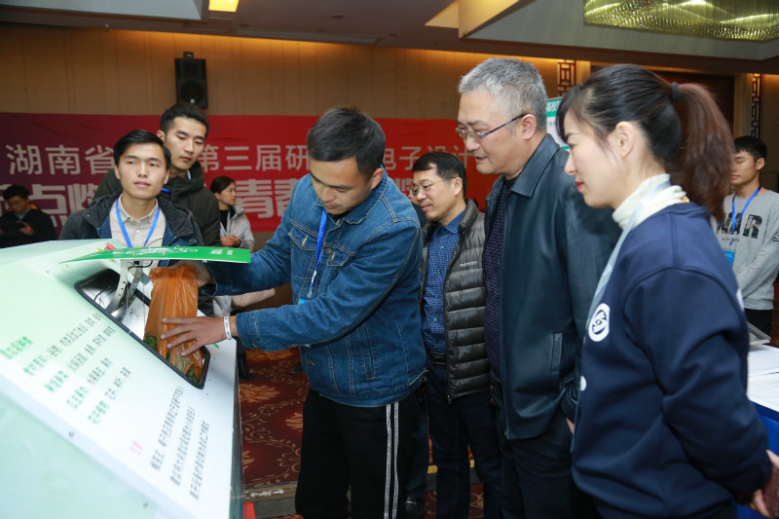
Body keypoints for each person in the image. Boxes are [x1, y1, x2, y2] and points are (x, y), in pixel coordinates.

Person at [160, 107, 426, 519]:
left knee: (377, 507)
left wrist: (229, 326)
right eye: (317, 179)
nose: (324, 196)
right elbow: (276, 260)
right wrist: (211, 274)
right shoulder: (307, 190)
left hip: (375, 389)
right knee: (316, 501)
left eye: (339, 187)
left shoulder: (394, 226)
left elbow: (330, 315)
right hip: (322, 377)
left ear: (374, 178)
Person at [557, 63, 779, 519]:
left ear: (623, 139)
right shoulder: (647, 233)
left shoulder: (669, 255)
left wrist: (751, 470)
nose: (569, 165)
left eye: (574, 144)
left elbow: (706, 403)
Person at [456, 57, 619, 518]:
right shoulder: (502, 190)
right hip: (511, 405)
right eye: (463, 130)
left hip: (552, 419)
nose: (468, 145)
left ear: (527, 125)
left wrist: (573, 410)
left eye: (479, 131)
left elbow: (598, 318)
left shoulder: (572, 189)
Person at [412, 151, 501, 518]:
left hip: (479, 375)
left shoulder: (487, 232)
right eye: (415, 189)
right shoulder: (424, 236)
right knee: (448, 464)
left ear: (455, 185)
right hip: (435, 372)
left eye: (426, 186)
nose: (419, 196)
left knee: (492, 467)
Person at [93, 103, 220, 247]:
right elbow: (93, 232)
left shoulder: (206, 200)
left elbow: (210, 256)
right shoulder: (124, 178)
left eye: (198, 142)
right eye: (181, 137)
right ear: (161, 137)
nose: (190, 148)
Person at [60, 129, 203, 250]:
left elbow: (198, 272)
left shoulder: (185, 224)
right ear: (117, 170)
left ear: (166, 176)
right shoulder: (81, 224)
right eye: (132, 162)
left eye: (153, 164)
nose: (142, 172)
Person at [713, 136, 779, 337]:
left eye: (739, 160)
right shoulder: (720, 204)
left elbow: (767, 260)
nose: (732, 167)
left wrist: (729, 289)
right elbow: (710, 251)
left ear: (759, 163)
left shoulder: (775, 204)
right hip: (717, 300)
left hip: (753, 305)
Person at [209, 175, 263, 380]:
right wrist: (219, 244)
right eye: (229, 190)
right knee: (215, 320)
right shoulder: (207, 215)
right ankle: (220, 365)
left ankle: (241, 362)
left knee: (237, 320)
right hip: (215, 276)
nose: (234, 194)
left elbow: (251, 245)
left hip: (237, 275)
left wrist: (238, 243)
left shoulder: (240, 216)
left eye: (235, 190)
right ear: (217, 194)